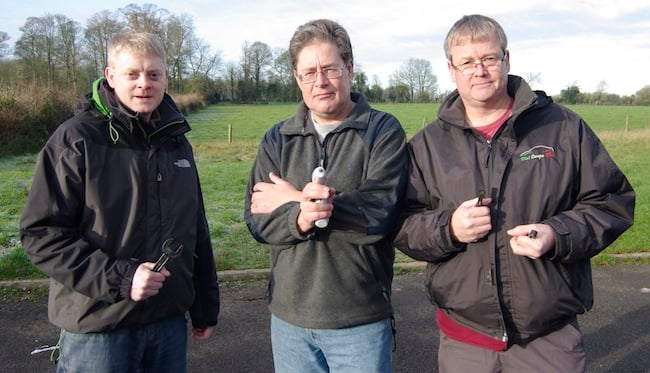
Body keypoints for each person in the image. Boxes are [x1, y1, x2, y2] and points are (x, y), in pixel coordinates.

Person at [394, 14, 635, 373]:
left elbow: (612, 202)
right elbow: (401, 222)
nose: (480, 70)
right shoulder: (426, 146)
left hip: (548, 339)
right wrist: (450, 229)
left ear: (506, 60)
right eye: (467, 62)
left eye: (489, 58)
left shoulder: (562, 127)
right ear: (451, 69)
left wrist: (558, 234)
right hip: (464, 341)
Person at [20, 30, 220, 372]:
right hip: (99, 326)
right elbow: (41, 234)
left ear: (166, 78)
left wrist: (203, 306)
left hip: (167, 323)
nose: (144, 83)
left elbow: (194, 228)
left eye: (154, 74)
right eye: (132, 74)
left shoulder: (175, 141)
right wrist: (122, 278)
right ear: (111, 76)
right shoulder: (76, 139)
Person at [244, 18, 408, 373]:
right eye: (308, 72)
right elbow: (257, 220)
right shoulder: (278, 138)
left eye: (330, 69)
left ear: (349, 69)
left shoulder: (382, 131)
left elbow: (379, 215)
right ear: (297, 78)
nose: (320, 81)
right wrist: (300, 215)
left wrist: (293, 200)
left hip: (359, 321)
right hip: (289, 321)